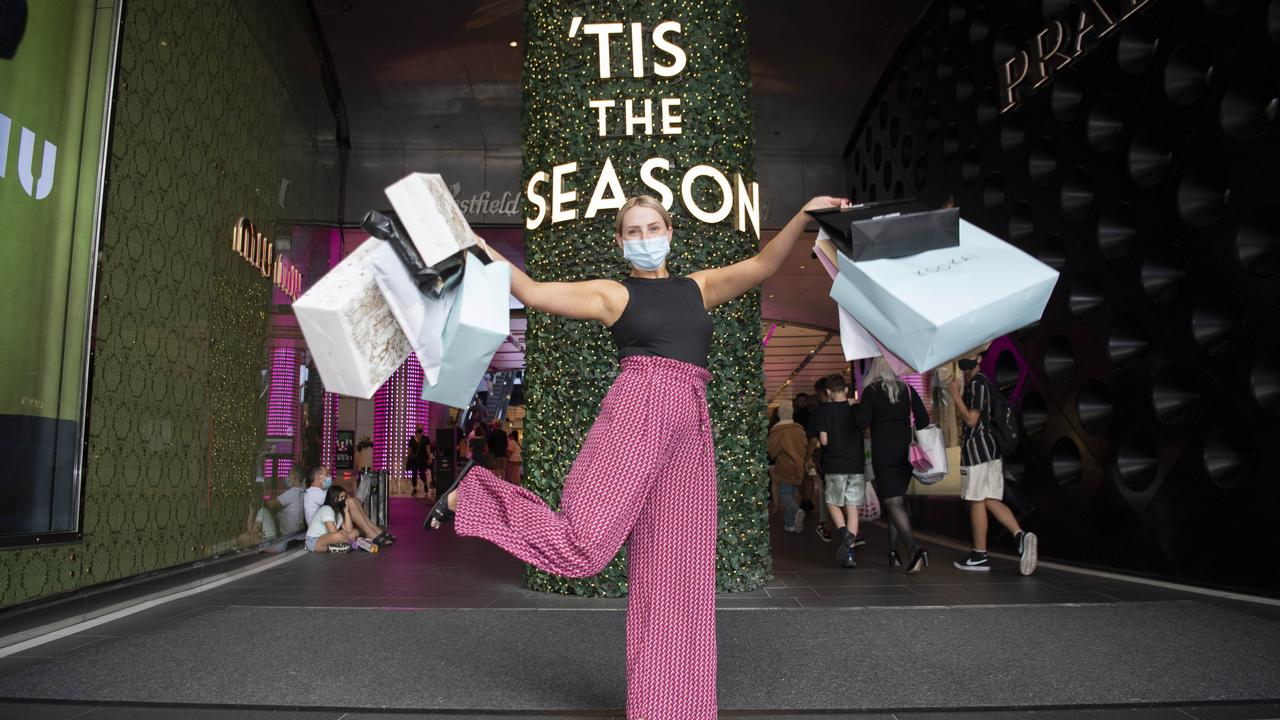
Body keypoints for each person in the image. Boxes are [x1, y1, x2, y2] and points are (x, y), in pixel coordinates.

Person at [427, 193, 848, 720]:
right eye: (634, 231)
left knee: (681, 574)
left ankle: (670, 709)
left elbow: (763, 263)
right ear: (620, 242)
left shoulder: (699, 287)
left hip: (690, 423)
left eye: (653, 227)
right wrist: (479, 247)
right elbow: (532, 292)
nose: (646, 238)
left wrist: (805, 213)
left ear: (670, 231)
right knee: (582, 544)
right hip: (637, 411)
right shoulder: (612, 294)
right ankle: (475, 495)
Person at [946, 350, 1038, 575]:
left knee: (976, 501)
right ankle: (1020, 536)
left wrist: (955, 395)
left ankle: (979, 555)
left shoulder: (977, 384)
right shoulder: (984, 381)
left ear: (979, 359)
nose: (966, 358)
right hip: (992, 452)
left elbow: (971, 419)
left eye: (971, 354)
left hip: (977, 452)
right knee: (989, 499)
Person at [853, 357, 932, 574]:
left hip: (884, 452)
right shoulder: (906, 390)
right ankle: (892, 552)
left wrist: (858, 408)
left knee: (893, 502)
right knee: (896, 501)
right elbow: (924, 419)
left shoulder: (871, 391)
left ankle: (914, 549)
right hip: (906, 452)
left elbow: (861, 422)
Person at [814, 374, 866, 568]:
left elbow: (824, 441)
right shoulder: (855, 409)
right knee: (852, 508)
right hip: (855, 465)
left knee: (832, 502)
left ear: (828, 392)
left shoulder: (824, 411)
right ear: (845, 389)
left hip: (834, 465)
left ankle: (844, 533)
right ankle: (850, 554)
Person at [303, 465, 395, 547]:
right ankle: (370, 532)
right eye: (326, 474)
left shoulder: (322, 492)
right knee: (349, 501)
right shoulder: (314, 492)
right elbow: (338, 499)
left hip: (332, 525)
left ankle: (373, 529)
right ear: (317, 477)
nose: (330, 477)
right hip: (320, 532)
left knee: (352, 502)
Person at [767, 400, 807, 532]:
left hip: (784, 466)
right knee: (793, 493)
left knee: (784, 493)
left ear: (779, 413)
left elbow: (772, 451)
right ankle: (790, 524)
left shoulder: (777, 430)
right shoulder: (799, 429)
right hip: (798, 466)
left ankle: (796, 511)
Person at [805, 377, 836, 543]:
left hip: (830, 461)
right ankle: (853, 532)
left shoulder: (820, 413)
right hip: (852, 461)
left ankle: (830, 528)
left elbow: (813, 441)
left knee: (832, 498)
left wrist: (807, 458)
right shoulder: (850, 409)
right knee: (847, 500)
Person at [305, 486, 356, 553]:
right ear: (334, 498)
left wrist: (346, 512)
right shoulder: (327, 509)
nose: (344, 500)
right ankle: (351, 543)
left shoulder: (339, 512)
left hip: (328, 538)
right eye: (341, 497)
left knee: (355, 531)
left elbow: (348, 530)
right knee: (339, 535)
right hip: (314, 541)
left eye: (345, 497)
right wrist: (348, 535)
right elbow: (333, 532)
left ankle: (339, 546)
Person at [408, 426, 432, 496]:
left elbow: (428, 449)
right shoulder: (412, 438)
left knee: (422, 473)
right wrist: (407, 458)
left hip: (422, 459)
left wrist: (429, 458)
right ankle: (414, 489)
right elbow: (410, 449)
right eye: (419, 428)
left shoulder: (425, 438)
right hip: (414, 459)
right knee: (414, 474)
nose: (420, 430)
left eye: (421, 428)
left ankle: (425, 484)